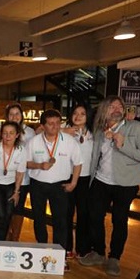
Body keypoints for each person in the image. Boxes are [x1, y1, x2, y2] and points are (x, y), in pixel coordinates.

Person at [79, 96, 140, 277]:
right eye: (112, 107)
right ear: (104, 110)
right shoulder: (99, 130)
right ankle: (98, 252)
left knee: (119, 220)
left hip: (125, 183)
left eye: (120, 106)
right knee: (94, 217)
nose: (117, 109)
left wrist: (122, 144)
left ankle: (114, 258)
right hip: (101, 180)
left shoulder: (135, 128)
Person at [25, 109, 82, 267]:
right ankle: (41, 250)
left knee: (61, 221)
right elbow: (26, 162)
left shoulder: (69, 141)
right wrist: (39, 165)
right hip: (38, 185)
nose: (55, 126)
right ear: (43, 125)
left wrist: (74, 183)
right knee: (39, 219)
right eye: (50, 124)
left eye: (57, 123)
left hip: (60, 185)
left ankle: (60, 257)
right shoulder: (34, 141)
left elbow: (78, 163)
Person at [61, 104, 94, 259]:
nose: (78, 116)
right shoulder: (63, 129)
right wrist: (63, 131)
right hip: (67, 176)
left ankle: (82, 248)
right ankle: (66, 247)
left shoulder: (94, 133)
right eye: (75, 113)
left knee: (83, 214)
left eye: (82, 113)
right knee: (66, 213)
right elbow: (42, 131)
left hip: (85, 177)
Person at [0, 121, 26, 241]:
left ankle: (1, 242)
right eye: (5, 133)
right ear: (1, 134)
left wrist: (16, 191)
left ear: (17, 135)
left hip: (10, 185)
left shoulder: (21, 150)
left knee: (8, 215)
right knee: (0, 215)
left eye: (11, 133)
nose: (8, 136)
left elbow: (20, 172)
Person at [5, 103, 36, 217]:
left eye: (17, 114)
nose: (14, 117)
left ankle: (15, 235)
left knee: (18, 210)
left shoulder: (30, 132)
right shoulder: (3, 131)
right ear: (7, 117)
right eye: (11, 114)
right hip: (6, 178)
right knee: (5, 210)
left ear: (22, 115)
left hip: (23, 178)